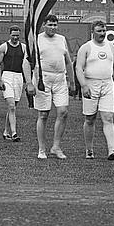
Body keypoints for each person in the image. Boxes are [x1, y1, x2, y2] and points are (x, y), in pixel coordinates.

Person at [75, 20, 114, 161]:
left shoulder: (111, 47)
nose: (103, 34)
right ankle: (89, 150)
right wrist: (83, 85)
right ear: (93, 32)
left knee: (108, 117)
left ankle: (111, 151)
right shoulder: (86, 48)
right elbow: (79, 68)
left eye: (104, 31)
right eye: (99, 31)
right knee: (90, 119)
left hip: (107, 84)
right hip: (91, 84)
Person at [33, 14, 74, 159]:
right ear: (44, 25)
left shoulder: (62, 39)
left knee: (63, 112)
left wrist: (72, 81)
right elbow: (28, 61)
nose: (52, 28)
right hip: (43, 78)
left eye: (55, 25)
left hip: (60, 79)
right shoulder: (36, 39)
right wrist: (29, 83)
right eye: (50, 24)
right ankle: (41, 149)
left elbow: (68, 62)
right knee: (43, 114)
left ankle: (56, 147)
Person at [0, 26, 34, 142]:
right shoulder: (4, 47)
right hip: (7, 75)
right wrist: (0, 79)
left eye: (17, 35)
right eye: (13, 35)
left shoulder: (24, 48)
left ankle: (6, 131)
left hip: (19, 77)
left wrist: (28, 81)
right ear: (9, 35)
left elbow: (27, 64)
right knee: (11, 105)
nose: (15, 37)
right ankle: (14, 132)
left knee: (13, 107)